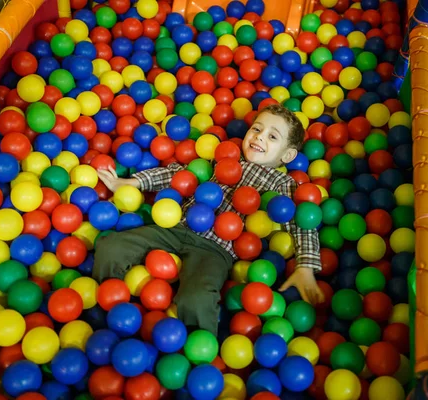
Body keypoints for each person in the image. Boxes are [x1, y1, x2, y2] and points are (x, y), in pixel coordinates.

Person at [93, 104, 324, 335]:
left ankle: (197, 352)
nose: (259, 137)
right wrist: (131, 183)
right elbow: (181, 175)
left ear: (288, 155)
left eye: (272, 136)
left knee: (198, 297)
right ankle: (103, 307)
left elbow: (301, 224)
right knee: (111, 247)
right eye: (256, 129)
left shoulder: (282, 184)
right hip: (176, 227)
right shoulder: (225, 157)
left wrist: (306, 266)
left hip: (215, 249)